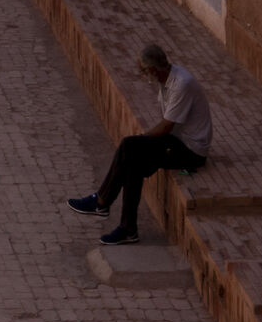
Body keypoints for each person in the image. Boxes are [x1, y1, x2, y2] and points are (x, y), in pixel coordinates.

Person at [69, 43, 212, 245]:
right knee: (132, 162)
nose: (146, 76)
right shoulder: (167, 81)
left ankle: (101, 201)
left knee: (130, 146)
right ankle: (127, 229)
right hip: (177, 141)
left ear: (153, 69)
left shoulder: (181, 84)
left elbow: (165, 128)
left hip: (191, 151)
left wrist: (141, 140)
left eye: (146, 71)